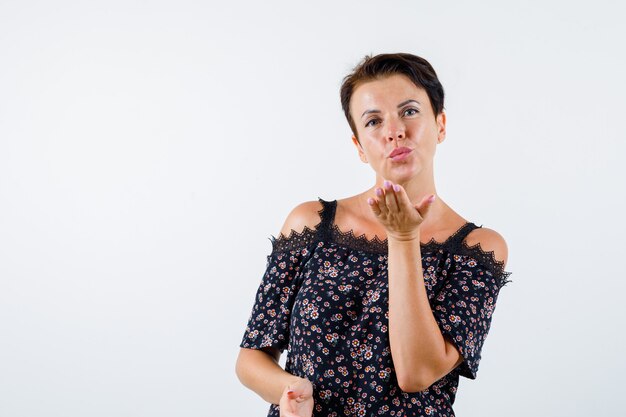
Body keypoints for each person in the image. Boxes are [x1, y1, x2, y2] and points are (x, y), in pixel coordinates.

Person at [235, 53, 512, 417]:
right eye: (373, 121)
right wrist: (291, 391)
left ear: (440, 125)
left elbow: (417, 373)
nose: (394, 131)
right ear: (359, 147)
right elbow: (252, 356)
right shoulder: (310, 224)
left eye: (410, 111)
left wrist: (403, 239)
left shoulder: (477, 249)